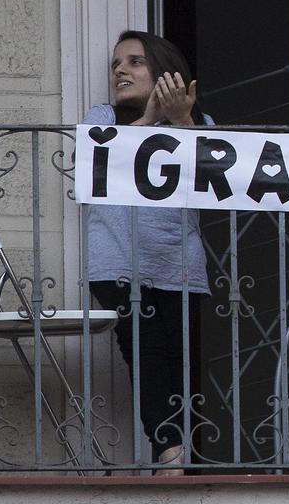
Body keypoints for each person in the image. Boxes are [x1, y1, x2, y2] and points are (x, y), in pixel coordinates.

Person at [84, 30, 209, 475]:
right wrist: (150, 117)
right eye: (117, 64)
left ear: (162, 69)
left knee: (180, 361)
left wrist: (182, 122)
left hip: (181, 264)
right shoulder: (104, 116)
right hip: (117, 262)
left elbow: (211, 180)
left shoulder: (200, 123)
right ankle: (171, 456)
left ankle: (184, 453)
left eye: (135, 61)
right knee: (146, 352)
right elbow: (98, 154)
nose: (121, 70)